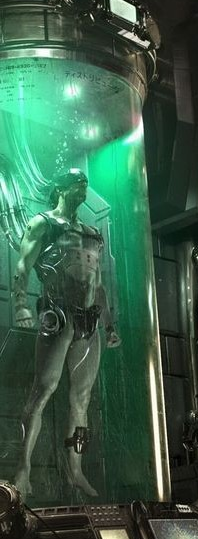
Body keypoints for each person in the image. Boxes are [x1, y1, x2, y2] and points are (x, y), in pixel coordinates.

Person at [12, 168, 120, 497]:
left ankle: (76, 470)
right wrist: (21, 305)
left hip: (89, 320)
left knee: (81, 399)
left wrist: (109, 324)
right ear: (61, 188)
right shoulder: (43, 223)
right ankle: (23, 469)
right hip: (57, 315)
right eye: (77, 183)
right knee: (43, 389)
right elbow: (23, 265)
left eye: (86, 182)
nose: (83, 187)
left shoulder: (92, 233)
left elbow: (98, 284)